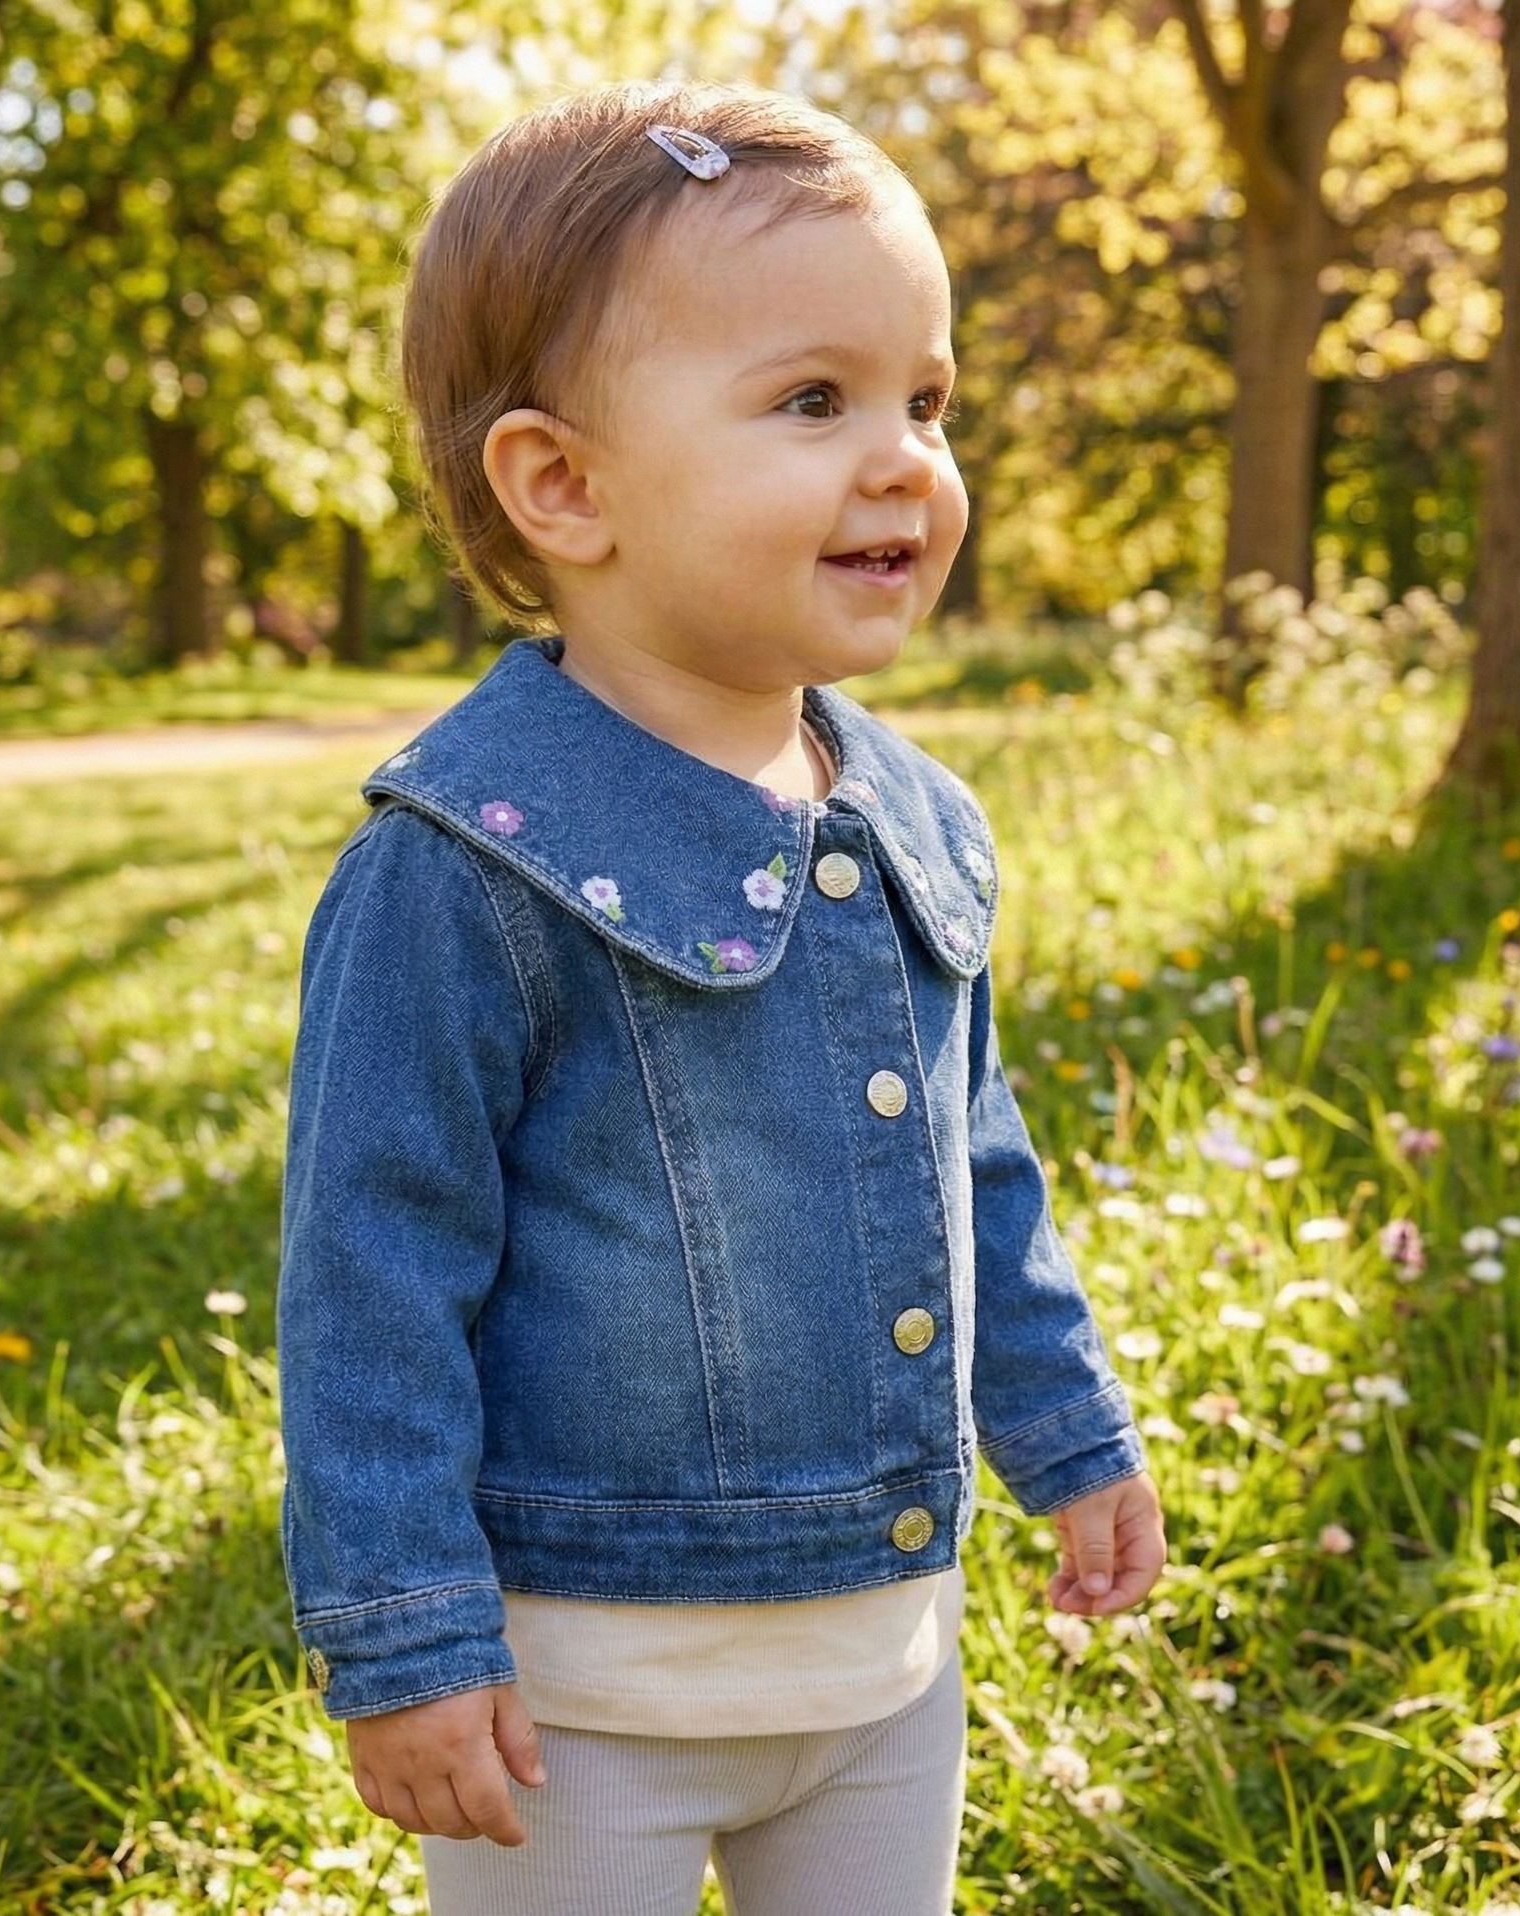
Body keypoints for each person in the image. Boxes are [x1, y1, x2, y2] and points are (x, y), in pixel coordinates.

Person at [276, 78, 1167, 1916]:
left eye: (925, 399)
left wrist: (1068, 1432)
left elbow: (973, 1158)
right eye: (812, 400)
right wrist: (405, 1632)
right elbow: (370, 1272)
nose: (902, 459)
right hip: (576, 1700)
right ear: (563, 485)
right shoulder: (462, 868)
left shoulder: (913, 817)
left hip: (886, 1661)